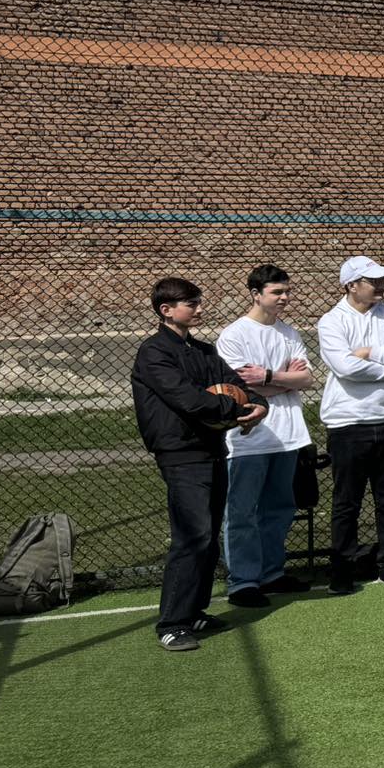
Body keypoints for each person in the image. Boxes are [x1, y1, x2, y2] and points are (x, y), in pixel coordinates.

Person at [132, 277, 265, 651]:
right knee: (192, 537)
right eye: (191, 304)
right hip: (179, 452)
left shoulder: (204, 350)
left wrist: (258, 403)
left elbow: (234, 382)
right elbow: (187, 399)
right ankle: (171, 623)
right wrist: (236, 407)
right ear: (166, 310)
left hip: (211, 448)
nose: (200, 309)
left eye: (198, 302)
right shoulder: (154, 352)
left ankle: (194, 611)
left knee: (207, 539)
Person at [317, 256, 384, 592]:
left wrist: (369, 351)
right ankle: (342, 570)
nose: (380, 285)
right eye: (371, 280)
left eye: (381, 279)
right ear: (351, 285)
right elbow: (345, 367)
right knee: (347, 501)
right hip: (348, 424)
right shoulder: (331, 321)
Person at [213, 264, 315, 606]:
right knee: (241, 512)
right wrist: (283, 380)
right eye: (277, 292)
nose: (285, 298)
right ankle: (242, 582)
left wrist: (270, 376)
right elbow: (240, 389)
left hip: (288, 435)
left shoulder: (290, 333)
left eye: (287, 291)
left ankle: (272, 573)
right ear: (256, 294)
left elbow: (307, 380)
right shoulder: (234, 335)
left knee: (280, 508)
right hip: (248, 438)